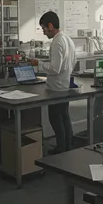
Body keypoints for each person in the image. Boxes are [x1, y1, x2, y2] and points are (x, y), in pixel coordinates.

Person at [29, 11, 76, 154]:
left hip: (56, 88)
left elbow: (55, 69)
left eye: (44, 28)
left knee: (55, 118)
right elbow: (73, 62)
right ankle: (68, 146)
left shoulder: (57, 41)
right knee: (64, 117)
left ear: (50, 26)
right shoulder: (68, 39)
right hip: (65, 85)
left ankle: (61, 149)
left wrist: (38, 63)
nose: (43, 32)